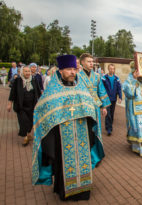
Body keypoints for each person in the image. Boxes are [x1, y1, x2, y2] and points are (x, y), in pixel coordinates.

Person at [31, 55, 105, 201]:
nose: (72, 72)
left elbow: (90, 107)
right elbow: (42, 110)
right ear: (60, 70)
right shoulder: (53, 90)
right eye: (68, 69)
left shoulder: (81, 88)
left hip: (82, 134)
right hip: (61, 137)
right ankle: (63, 191)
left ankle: (83, 191)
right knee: (62, 163)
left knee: (83, 161)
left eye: (74, 69)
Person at [78, 53, 111, 140]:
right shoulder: (77, 76)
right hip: (82, 106)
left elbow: (101, 91)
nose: (91, 63)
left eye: (92, 61)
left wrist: (104, 107)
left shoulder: (97, 76)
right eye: (89, 61)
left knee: (95, 128)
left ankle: (95, 149)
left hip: (95, 106)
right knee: (84, 128)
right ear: (82, 62)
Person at [7, 66, 41, 146]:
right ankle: (25, 137)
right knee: (23, 121)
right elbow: (13, 93)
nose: (27, 73)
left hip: (32, 106)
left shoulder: (34, 80)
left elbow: (38, 92)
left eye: (28, 71)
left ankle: (29, 134)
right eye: (25, 71)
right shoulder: (17, 81)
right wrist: (9, 104)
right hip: (20, 106)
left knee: (30, 121)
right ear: (22, 72)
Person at [102, 64, 122, 136]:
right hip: (107, 99)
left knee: (112, 113)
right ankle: (109, 129)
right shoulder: (104, 78)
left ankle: (109, 126)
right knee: (108, 114)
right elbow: (102, 88)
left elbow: (119, 88)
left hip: (114, 99)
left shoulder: (117, 78)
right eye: (110, 69)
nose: (112, 70)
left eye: (113, 69)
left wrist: (120, 97)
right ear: (108, 69)